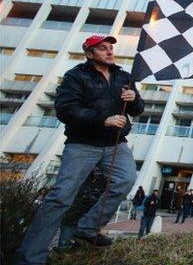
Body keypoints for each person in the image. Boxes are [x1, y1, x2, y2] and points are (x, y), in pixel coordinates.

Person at [19, 34, 144, 264]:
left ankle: (87, 228)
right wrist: (103, 119)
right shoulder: (76, 76)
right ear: (89, 54)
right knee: (60, 198)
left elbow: (137, 109)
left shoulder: (123, 76)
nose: (109, 52)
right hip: (82, 144)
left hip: (115, 143)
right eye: (102, 48)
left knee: (126, 180)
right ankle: (30, 258)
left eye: (110, 48)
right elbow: (65, 109)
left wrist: (134, 98)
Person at [56, 167, 107, 253]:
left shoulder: (103, 180)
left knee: (81, 234)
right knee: (67, 229)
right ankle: (63, 251)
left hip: (88, 211)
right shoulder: (82, 175)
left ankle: (75, 251)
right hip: (74, 211)